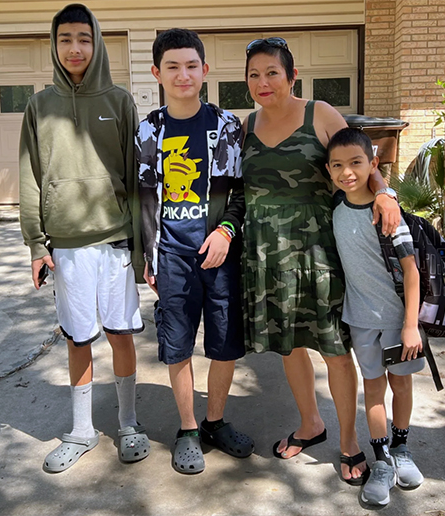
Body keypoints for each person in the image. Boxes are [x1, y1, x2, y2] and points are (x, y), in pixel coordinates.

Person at [240, 37, 401, 485]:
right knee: (288, 345)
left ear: (292, 76)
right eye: (254, 74)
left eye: (272, 72)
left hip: (318, 252)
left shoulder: (320, 114)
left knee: (333, 349)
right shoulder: (246, 125)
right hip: (266, 255)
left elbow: (360, 159)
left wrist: (385, 195)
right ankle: (311, 423)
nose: (262, 81)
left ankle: (349, 442)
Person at [19, 3, 149, 473]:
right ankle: (81, 431)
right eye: (65, 39)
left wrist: (141, 250)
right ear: (54, 46)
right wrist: (36, 244)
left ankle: (129, 422)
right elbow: (30, 177)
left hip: (114, 242)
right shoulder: (39, 106)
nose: (75, 48)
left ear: (97, 44)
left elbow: (136, 181)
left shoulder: (120, 102)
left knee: (120, 334)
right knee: (78, 340)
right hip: (67, 247)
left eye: (84, 38)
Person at [137, 28, 254, 475]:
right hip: (172, 256)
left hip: (219, 255)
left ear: (205, 70)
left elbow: (239, 192)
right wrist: (147, 255)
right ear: (157, 73)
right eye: (172, 66)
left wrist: (226, 231)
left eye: (191, 65)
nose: (183, 74)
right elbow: (145, 197)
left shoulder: (226, 126)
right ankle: (187, 429)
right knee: (177, 345)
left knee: (224, 346)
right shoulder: (150, 129)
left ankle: (214, 421)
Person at [326, 128, 426, 507]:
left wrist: (411, 324)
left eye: (356, 163)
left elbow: (412, 271)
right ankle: (381, 461)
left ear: (373, 164)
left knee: (400, 386)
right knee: (373, 390)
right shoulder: (335, 206)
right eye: (338, 165)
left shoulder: (386, 212)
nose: (347, 172)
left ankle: (402, 449)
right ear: (329, 169)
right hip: (360, 320)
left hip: (399, 321)